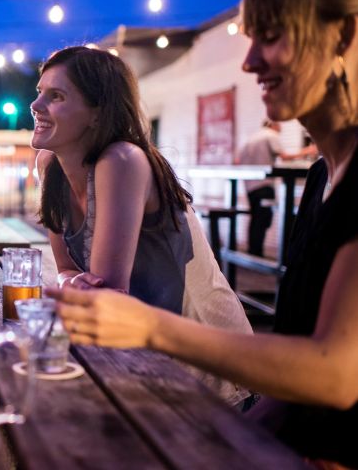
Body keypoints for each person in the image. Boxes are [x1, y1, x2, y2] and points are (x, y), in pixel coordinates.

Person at [52, 0, 358, 466]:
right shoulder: (322, 176)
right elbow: (293, 382)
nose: (249, 61)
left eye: (273, 36)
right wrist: (221, 441)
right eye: (250, 38)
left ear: (344, 36)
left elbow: (336, 373)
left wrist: (150, 329)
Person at [31, 45, 252, 405]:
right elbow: (67, 271)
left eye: (56, 96)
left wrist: (75, 286)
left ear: (97, 114)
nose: (36, 106)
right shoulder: (48, 166)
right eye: (39, 93)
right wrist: (71, 280)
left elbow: (107, 293)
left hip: (210, 375)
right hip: (140, 362)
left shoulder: (122, 160)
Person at [236, 119, 314, 256]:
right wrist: (309, 150)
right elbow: (284, 157)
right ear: (273, 124)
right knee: (263, 219)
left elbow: (237, 160)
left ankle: (253, 252)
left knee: (256, 218)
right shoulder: (271, 135)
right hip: (264, 184)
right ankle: (261, 255)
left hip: (249, 185)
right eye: (280, 125)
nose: (281, 129)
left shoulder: (251, 138)